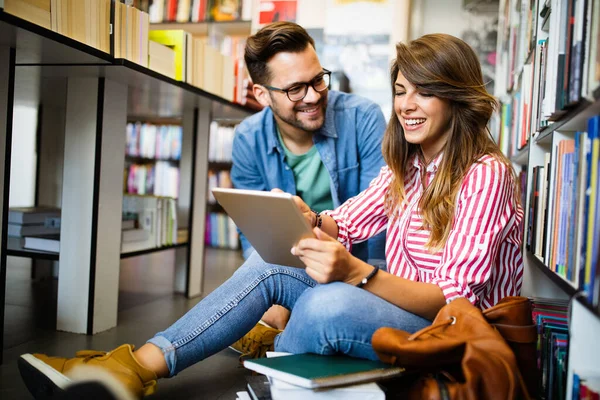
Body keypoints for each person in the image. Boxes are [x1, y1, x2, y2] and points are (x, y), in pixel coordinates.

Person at [18, 32, 524, 400]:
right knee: (269, 265)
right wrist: (311, 220)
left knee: (325, 307)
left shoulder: (485, 175)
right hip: (395, 305)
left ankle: (276, 386)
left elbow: (454, 301)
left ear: (458, 96)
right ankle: (133, 368)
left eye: (424, 91)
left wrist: (355, 273)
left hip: (446, 326)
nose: (406, 106)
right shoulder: (410, 167)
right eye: (400, 90)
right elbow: (349, 222)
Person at [229, 21, 387, 337]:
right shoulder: (247, 139)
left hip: (360, 272)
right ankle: (142, 363)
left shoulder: (363, 117)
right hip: (290, 269)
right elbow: (254, 233)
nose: (313, 96)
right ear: (261, 94)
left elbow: (381, 220)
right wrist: (273, 297)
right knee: (255, 295)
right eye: (295, 88)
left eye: (318, 80)